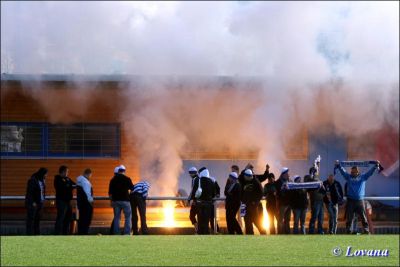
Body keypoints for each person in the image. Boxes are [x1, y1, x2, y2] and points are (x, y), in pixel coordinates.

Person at [336, 160, 379, 234]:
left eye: (354, 172)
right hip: (351, 200)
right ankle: (348, 230)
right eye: (351, 172)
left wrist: (375, 166)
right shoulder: (348, 177)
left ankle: (366, 230)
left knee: (363, 217)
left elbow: (370, 173)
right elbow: (343, 172)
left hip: (360, 201)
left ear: (357, 172)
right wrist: (339, 165)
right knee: (349, 217)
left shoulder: (363, 177)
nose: (352, 173)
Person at [239, 163, 270, 232]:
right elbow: (240, 177)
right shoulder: (243, 179)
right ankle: (249, 237)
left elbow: (261, 192)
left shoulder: (255, 180)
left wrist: (255, 202)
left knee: (256, 221)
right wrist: (245, 168)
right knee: (247, 221)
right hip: (244, 205)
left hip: (253, 206)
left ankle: (263, 233)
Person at [189, 167, 216, 234]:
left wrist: (193, 199)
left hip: (199, 203)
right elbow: (214, 193)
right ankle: (206, 233)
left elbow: (194, 191)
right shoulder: (211, 181)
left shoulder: (198, 180)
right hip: (208, 204)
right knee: (206, 221)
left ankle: (200, 232)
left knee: (200, 220)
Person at [108, 165, 133, 235]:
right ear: (124, 171)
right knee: (128, 217)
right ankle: (127, 233)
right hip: (125, 201)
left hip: (116, 201)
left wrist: (111, 201)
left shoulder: (112, 180)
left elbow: (110, 193)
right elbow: (132, 189)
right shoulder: (127, 179)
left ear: (118, 171)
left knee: (117, 217)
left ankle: (116, 233)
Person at [25, 167, 48, 235]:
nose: (46, 176)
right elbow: (30, 193)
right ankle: (30, 235)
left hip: (40, 203)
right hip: (33, 204)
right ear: (42, 173)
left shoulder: (42, 180)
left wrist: (43, 199)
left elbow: (42, 191)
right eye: (45, 174)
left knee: (37, 220)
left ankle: (37, 235)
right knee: (31, 220)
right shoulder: (33, 180)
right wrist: (32, 202)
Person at [54, 165, 76, 235]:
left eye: (67, 172)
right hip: (61, 201)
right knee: (61, 218)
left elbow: (74, 185)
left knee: (68, 218)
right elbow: (61, 188)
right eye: (66, 172)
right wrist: (68, 186)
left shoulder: (68, 179)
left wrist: (69, 185)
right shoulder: (57, 179)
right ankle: (57, 233)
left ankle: (65, 233)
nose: (67, 173)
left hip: (68, 201)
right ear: (62, 172)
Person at [307, 164, 326, 235]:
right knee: (314, 216)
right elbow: (308, 188)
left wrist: (323, 187)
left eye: (316, 171)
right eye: (315, 171)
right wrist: (311, 174)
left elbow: (324, 191)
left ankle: (320, 230)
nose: (316, 173)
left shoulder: (318, 180)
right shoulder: (309, 179)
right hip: (315, 201)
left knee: (321, 217)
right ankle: (311, 230)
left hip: (320, 201)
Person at [77, 168, 94, 235]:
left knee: (82, 219)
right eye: (90, 175)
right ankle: (84, 233)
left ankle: (81, 232)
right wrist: (91, 200)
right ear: (88, 174)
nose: (90, 177)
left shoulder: (80, 180)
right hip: (86, 204)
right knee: (86, 219)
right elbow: (87, 192)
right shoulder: (85, 181)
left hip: (81, 203)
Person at [275, 167, 291, 234]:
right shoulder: (278, 182)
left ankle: (287, 232)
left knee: (287, 219)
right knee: (280, 220)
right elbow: (278, 193)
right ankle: (280, 233)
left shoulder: (289, 181)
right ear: (283, 174)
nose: (288, 175)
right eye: (287, 173)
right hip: (282, 204)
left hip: (288, 204)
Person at [187, 167, 199, 232]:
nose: (189, 175)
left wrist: (189, 200)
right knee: (199, 217)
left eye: (190, 174)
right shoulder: (199, 178)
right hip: (199, 201)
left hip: (196, 202)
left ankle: (197, 230)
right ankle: (198, 230)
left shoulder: (194, 179)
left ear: (192, 173)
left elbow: (193, 190)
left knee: (192, 216)